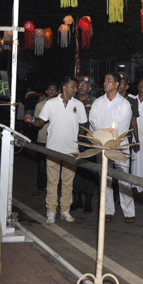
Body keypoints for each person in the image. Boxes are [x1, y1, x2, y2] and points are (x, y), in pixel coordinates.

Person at [25, 77, 87, 224]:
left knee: (67, 183)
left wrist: (79, 142)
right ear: (65, 88)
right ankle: (51, 211)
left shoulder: (78, 104)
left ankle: (65, 211)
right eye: (73, 86)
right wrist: (32, 120)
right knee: (52, 182)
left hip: (71, 150)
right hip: (53, 150)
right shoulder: (50, 104)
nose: (76, 89)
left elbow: (83, 124)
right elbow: (40, 122)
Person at [90, 72, 134, 223]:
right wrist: (102, 136)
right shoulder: (98, 102)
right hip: (102, 146)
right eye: (104, 80)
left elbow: (122, 127)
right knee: (105, 179)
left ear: (116, 84)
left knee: (124, 178)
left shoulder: (124, 104)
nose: (105, 82)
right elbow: (93, 122)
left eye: (109, 80)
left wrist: (107, 135)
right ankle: (108, 210)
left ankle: (129, 211)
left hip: (120, 146)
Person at [72, 76, 98, 213]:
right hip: (73, 140)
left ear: (90, 88)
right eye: (80, 84)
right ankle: (77, 199)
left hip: (89, 142)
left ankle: (88, 199)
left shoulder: (95, 102)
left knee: (90, 171)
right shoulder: (71, 100)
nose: (81, 87)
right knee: (74, 170)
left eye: (85, 85)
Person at [31, 82, 59, 197]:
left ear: (57, 92)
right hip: (43, 138)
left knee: (56, 165)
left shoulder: (60, 105)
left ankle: (57, 188)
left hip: (56, 139)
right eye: (50, 89)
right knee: (42, 166)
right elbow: (37, 121)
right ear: (46, 91)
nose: (52, 91)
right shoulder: (39, 105)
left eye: (54, 89)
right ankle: (40, 187)